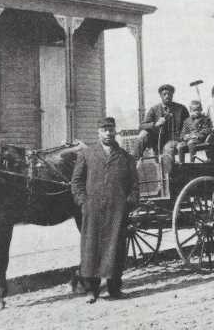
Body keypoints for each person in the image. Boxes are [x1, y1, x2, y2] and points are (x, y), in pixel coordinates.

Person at [71, 117, 139, 303]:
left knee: (115, 250)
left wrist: (127, 205)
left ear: (115, 131)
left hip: (117, 212)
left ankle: (114, 289)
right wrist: (83, 203)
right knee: (91, 249)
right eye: (104, 129)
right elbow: (76, 182)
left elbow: (134, 186)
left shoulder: (125, 157)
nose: (108, 133)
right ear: (98, 132)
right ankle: (91, 290)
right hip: (93, 210)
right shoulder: (87, 154)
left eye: (111, 129)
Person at [134, 84, 189, 159]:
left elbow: (188, 123)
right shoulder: (154, 109)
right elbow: (142, 125)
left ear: (172, 95)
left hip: (175, 139)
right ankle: (135, 161)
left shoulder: (181, 108)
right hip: (157, 139)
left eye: (169, 94)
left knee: (167, 150)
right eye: (164, 94)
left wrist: (183, 136)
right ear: (160, 95)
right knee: (143, 134)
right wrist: (156, 124)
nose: (167, 96)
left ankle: (169, 169)